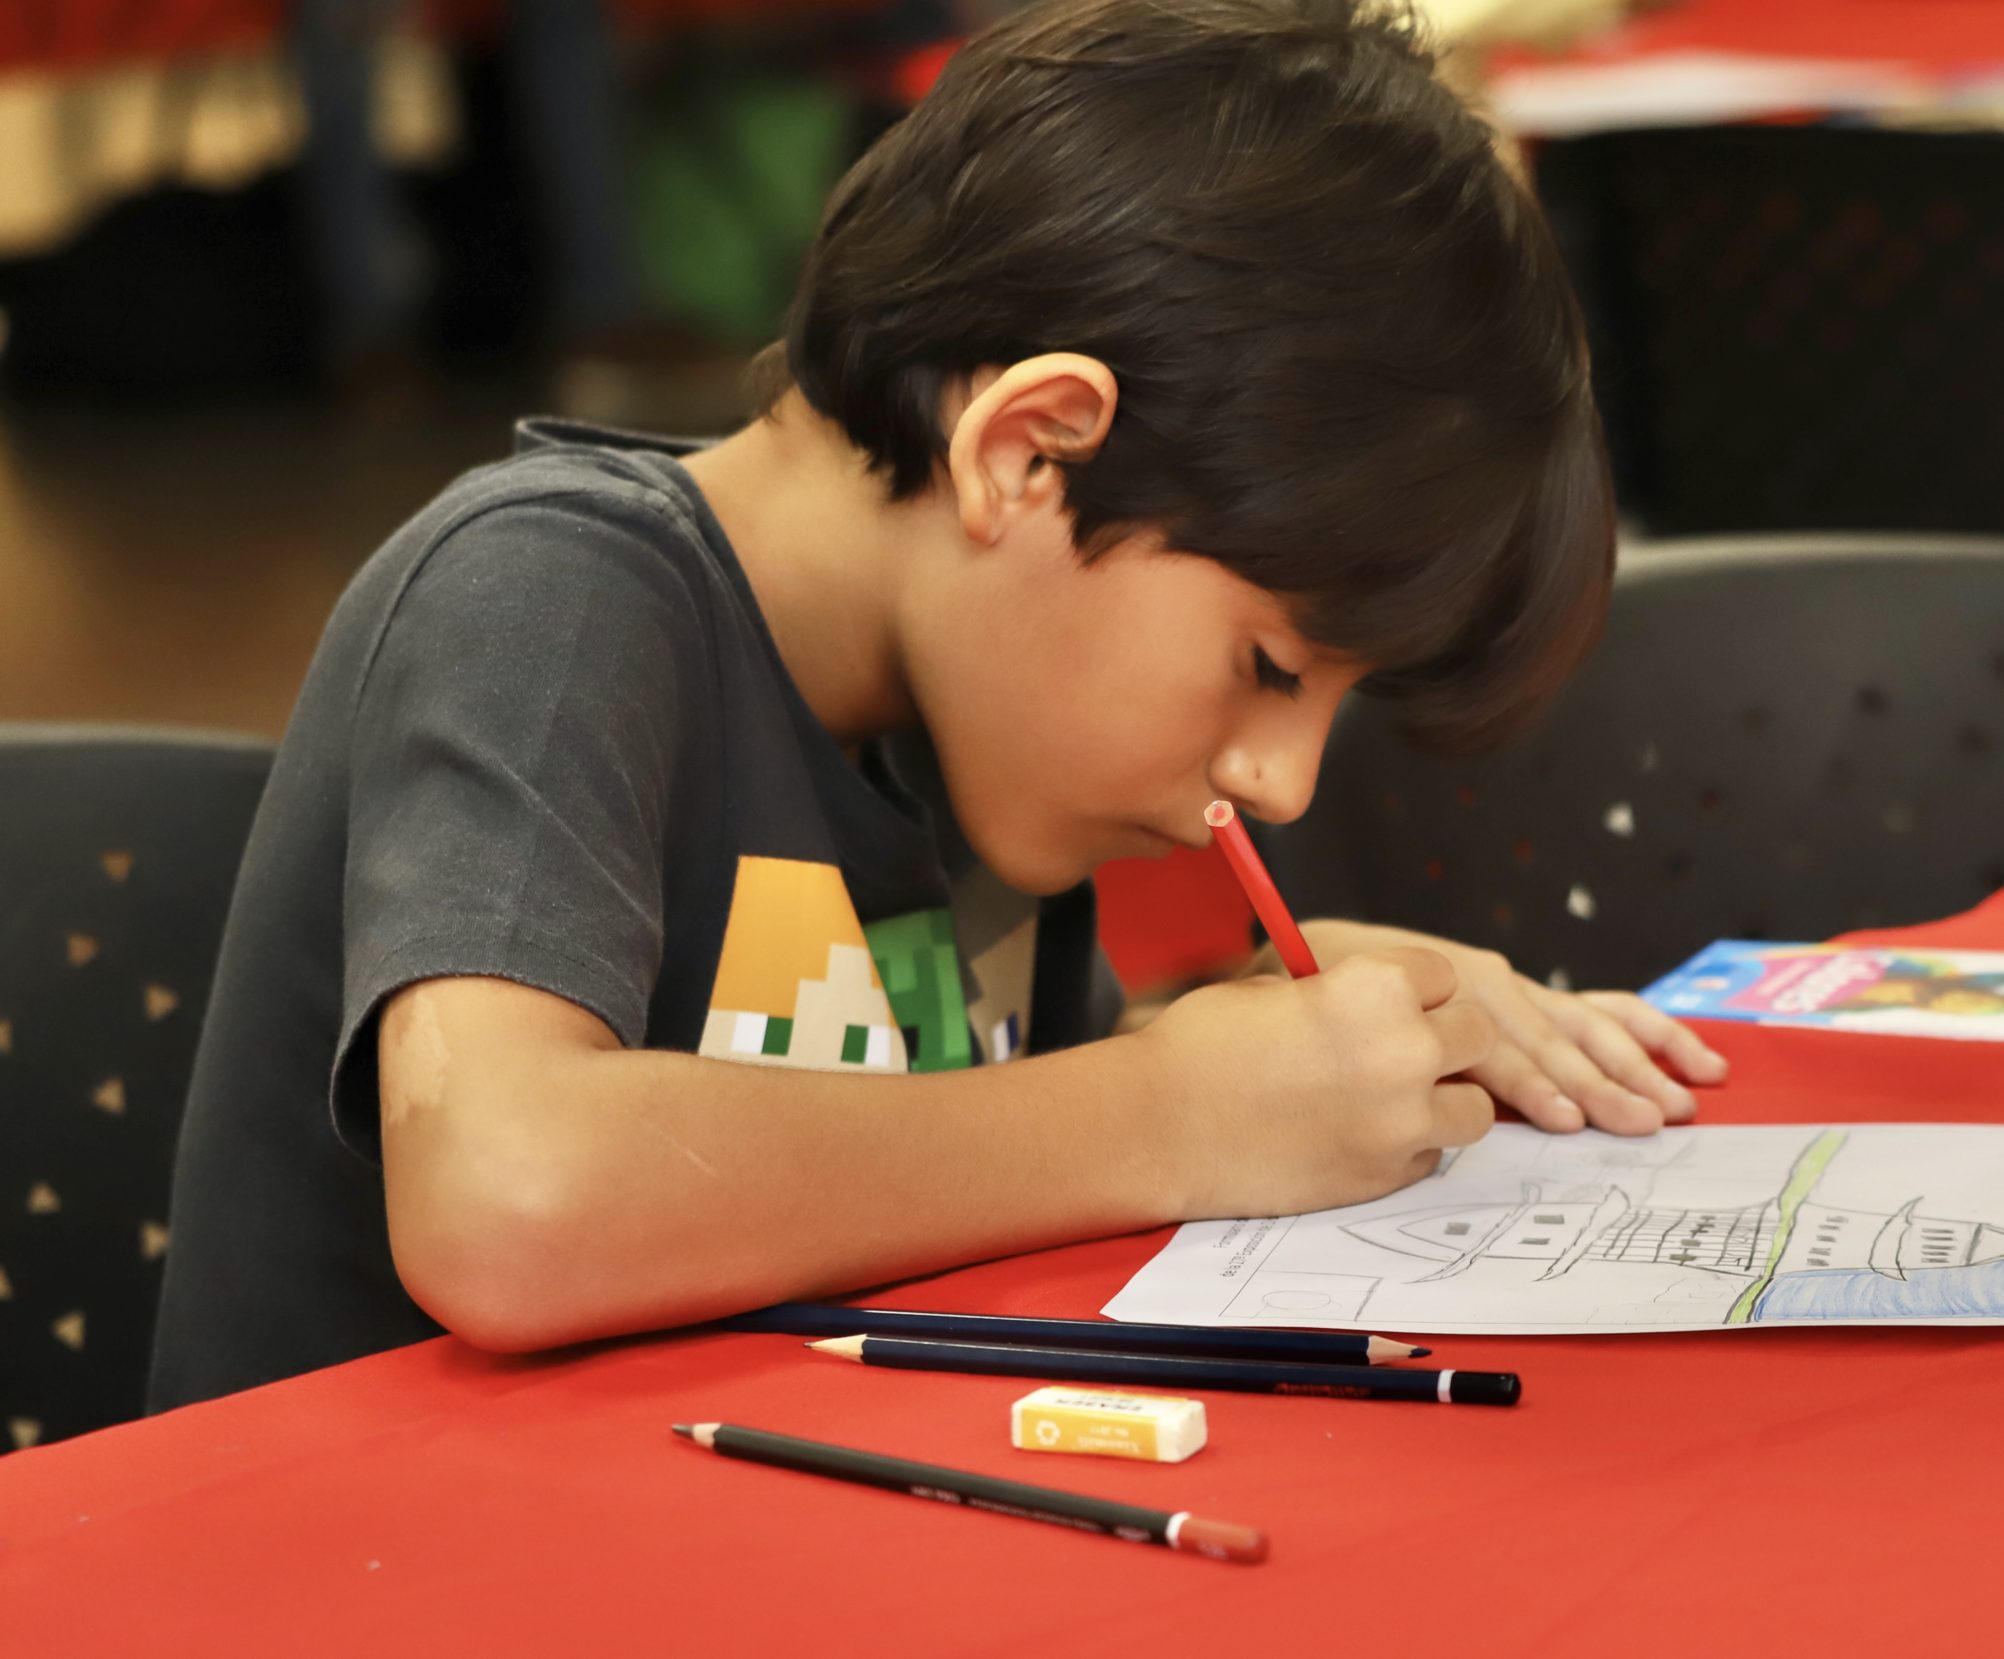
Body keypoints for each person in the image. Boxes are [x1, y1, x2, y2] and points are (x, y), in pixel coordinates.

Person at [147, 0, 1728, 1414]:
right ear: (1029, 453)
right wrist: (1162, 1109)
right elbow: (507, 1195)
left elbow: (933, 1127)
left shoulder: (975, 718)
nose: (1284, 783)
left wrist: (1246, 1044)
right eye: (1268, 666)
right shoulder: (550, 597)